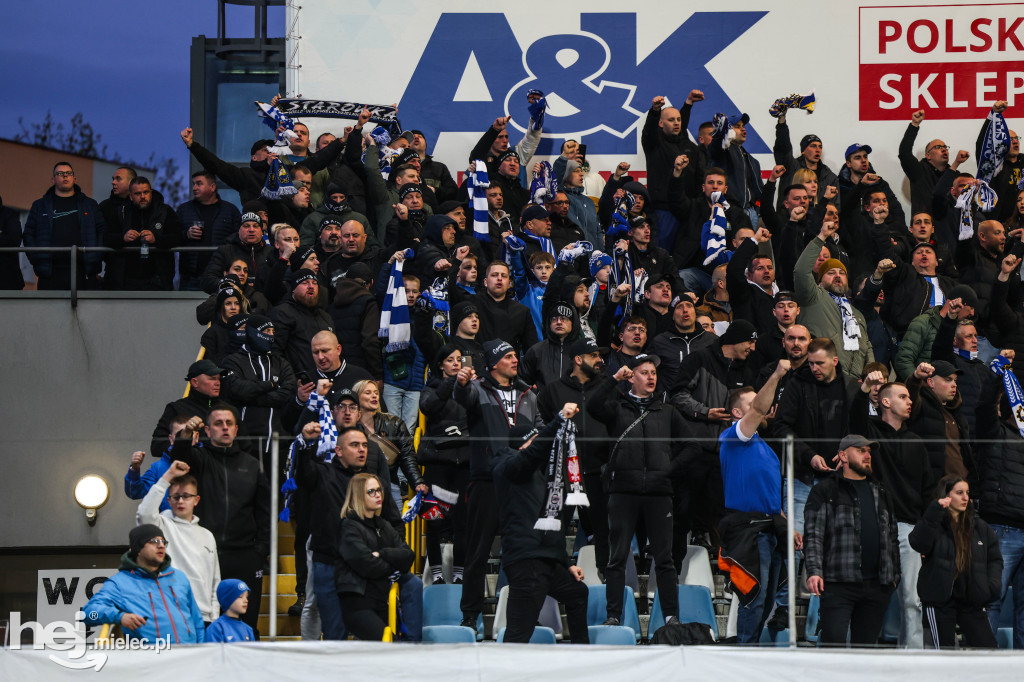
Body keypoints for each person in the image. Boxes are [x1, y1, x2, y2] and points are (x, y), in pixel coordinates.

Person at [588, 354, 687, 627]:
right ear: (631, 376)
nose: (651, 377)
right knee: (617, 557)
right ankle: (613, 616)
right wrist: (612, 380)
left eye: (653, 372)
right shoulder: (616, 407)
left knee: (665, 560)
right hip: (623, 491)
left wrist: (669, 469)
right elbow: (593, 406)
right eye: (644, 372)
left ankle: (671, 617)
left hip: (659, 493)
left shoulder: (667, 411)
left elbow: (691, 446)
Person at [453, 338, 543, 629]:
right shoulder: (478, 389)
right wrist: (463, 383)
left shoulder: (528, 392)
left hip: (520, 480)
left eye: (516, 355)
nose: (515, 360)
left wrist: (536, 440)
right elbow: (461, 397)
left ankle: (524, 612)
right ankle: (469, 616)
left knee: (522, 551)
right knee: (477, 552)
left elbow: (540, 425)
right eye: (508, 357)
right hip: (487, 479)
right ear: (493, 364)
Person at [493, 401, 591, 643]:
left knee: (578, 592)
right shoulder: (507, 466)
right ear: (523, 445)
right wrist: (557, 420)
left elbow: (552, 522)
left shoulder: (544, 476)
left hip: (547, 558)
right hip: (526, 560)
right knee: (518, 633)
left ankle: (583, 657)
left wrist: (566, 562)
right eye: (534, 441)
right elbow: (534, 453)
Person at [716, 360, 796, 644]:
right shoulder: (732, 436)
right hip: (747, 529)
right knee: (755, 597)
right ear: (738, 412)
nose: (762, 404)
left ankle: (748, 648)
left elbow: (769, 492)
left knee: (767, 598)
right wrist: (776, 373)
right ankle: (745, 653)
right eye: (752, 404)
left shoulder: (764, 447)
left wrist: (786, 522)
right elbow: (761, 408)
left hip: (770, 526)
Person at [851, 376, 933, 648]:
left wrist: (924, 533)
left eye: (910, 398)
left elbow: (927, 490)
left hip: (910, 529)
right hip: (876, 526)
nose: (910, 402)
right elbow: (853, 419)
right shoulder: (870, 435)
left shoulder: (916, 441)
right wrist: (864, 390)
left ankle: (914, 659)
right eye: (903, 397)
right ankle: (864, 656)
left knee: (912, 599)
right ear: (884, 402)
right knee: (870, 595)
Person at [174, 408, 271, 635]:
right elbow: (180, 457)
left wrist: (260, 550)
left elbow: (264, 511)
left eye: (229, 423)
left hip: (245, 555)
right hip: (206, 553)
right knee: (207, 618)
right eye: (218, 423)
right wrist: (187, 433)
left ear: (237, 429)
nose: (225, 427)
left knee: (246, 621)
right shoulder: (199, 460)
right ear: (207, 430)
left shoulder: (252, 464)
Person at [804, 435, 902, 647]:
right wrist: (814, 570)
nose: (868, 456)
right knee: (833, 646)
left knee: (865, 652)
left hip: (878, 585)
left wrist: (894, 576)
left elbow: (892, 536)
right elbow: (814, 534)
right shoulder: (825, 491)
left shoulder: (881, 492)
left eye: (869, 451)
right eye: (861, 450)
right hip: (838, 583)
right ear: (843, 456)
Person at [537, 337, 612, 577]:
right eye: (594, 356)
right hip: (565, 472)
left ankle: (606, 577)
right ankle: (556, 574)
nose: (599, 360)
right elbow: (545, 424)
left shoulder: (606, 386)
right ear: (578, 360)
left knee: (604, 529)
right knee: (556, 528)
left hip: (599, 468)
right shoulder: (553, 390)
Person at [910, 476, 1002, 649]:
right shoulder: (934, 522)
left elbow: (995, 558)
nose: (966, 498)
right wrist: (934, 511)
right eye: (959, 493)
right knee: (944, 656)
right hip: (940, 600)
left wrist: (991, 586)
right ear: (946, 495)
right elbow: (918, 543)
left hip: (972, 599)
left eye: (967, 493)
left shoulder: (980, 526)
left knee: (989, 651)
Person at [83, 524, 205, 643]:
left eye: (163, 541)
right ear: (138, 549)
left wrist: (201, 652)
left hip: (188, 657)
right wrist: (120, 617)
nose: (161, 546)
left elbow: (197, 620)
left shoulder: (179, 577)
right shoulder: (119, 583)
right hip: (150, 659)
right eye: (154, 541)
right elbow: (88, 613)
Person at [137, 460, 221, 625]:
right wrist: (167, 476)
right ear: (168, 500)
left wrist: (215, 617)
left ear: (196, 500)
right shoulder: (161, 525)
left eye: (186, 496)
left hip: (203, 617)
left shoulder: (208, 535)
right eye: (176, 497)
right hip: (170, 613)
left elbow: (215, 580)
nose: (181, 501)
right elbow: (144, 513)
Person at [335, 472, 417, 640]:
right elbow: (367, 565)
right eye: (371, 491)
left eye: (379, 490)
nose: (378, 494)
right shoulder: (349, 526)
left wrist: (382, 554)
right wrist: (393, 565)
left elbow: (408, 555)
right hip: (357, 603)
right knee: (385, 644)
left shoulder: (383, 524)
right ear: (358, 495)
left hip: (381, 599)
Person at [417, 344, 472, 584]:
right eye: (450, 360)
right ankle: (437, 573)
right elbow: (428, 407)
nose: (456, 363)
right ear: (441, 365)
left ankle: (459, 573)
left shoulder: (471, 387)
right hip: (438, 462)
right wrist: (450, 383)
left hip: (465, 461)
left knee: (463, 521)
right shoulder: (431, 387)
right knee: (434, 520)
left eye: (459, 359)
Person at [794, 221, 874, 377]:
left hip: (854, 382)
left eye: (842, 273)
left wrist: (869, 374)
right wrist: (822, 237)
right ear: (820, 280)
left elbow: (867, 347)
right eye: (831, 273)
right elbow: (801, 271)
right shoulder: (813, 296)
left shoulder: (855, 313)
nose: (837, 276)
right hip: (822, 376)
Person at [221, 315, 298, 469]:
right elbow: (237, 389)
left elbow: (288, 393)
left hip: (277, 443)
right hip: (244, 444)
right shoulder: (232, 361)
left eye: (272, 331)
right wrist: (271, 384)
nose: (270, 335)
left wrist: (251, 398)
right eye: (266, 331)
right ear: (252, 332)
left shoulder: (281, 362)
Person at [23, 161, 106, 290]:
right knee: (50, 310)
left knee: (85, 310)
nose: (65, 176)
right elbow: (28, 234)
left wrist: (96, 257)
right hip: (50, 273)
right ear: (53, 179)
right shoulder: (40, 205)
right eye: (60, 173)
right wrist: (37, 259)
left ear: (75, 178)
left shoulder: (89, 204)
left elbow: (102, 231)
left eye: (68, 173)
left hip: (84, 272)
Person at [177, 170, 242, 290]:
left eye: (199, 183)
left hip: (221, 274)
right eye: (193, 184)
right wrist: (186, 234)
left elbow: (239, 238)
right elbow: (173, 237)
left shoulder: (230, 210)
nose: (194, 187)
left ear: (212, 187)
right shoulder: (184, 210)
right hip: (191, 276)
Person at [149, 360, 228, 457]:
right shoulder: (176, 408)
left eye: (218, 379)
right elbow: (157, 447)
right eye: (212, 378)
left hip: (222, 470)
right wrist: (185, 439)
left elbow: (243, 444)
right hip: (189, 470)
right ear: (195, 382)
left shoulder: (228, 410)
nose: (218, 383)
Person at [269, 269, 335, 380]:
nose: (311, 286)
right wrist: (291, 381)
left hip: (326, 380)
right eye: (304, 283)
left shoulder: (325, 316)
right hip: (299, 383)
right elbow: (275, 352)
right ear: (293, 289)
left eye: (314, 283)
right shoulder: (282, 313)